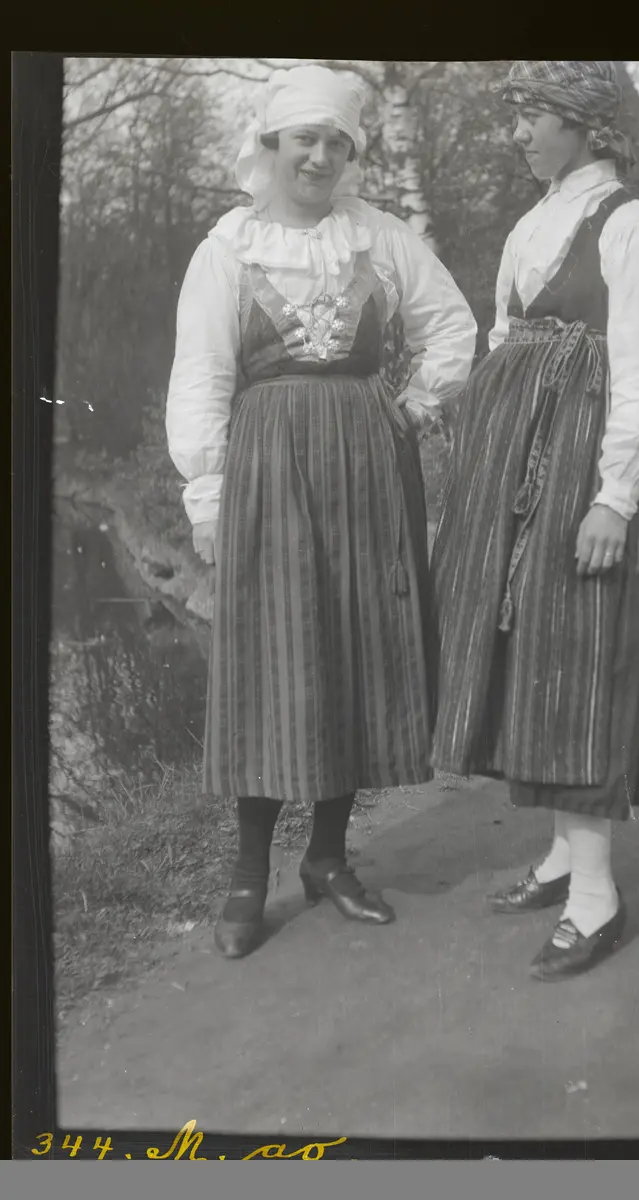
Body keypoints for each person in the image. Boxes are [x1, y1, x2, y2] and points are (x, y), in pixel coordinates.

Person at [166, 65, 477, 959]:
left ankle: (329, 858)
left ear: (351, 154)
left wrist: (414, 404)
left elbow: (454, 326)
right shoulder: (227, 249)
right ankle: (247, 876)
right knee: (273, 657)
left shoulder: (380, 237)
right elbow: (200, 376)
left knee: (355, 649)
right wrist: (205, 493)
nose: (320, 156)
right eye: (305, 138)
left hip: (371, 466)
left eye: (337, 142)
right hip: (269, 467)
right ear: (270, 145)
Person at [431, 61, 639, 982]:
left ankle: (597, 896)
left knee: (577, 661)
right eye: (517, 116)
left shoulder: (631, 225)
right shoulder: (528, 224)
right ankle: (559, 856)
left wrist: (616, 495)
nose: (519, 133)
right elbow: (504, 340)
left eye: (534, 115)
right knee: (525, 654)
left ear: (584, 122)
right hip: (513, 465)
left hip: (584, 464)